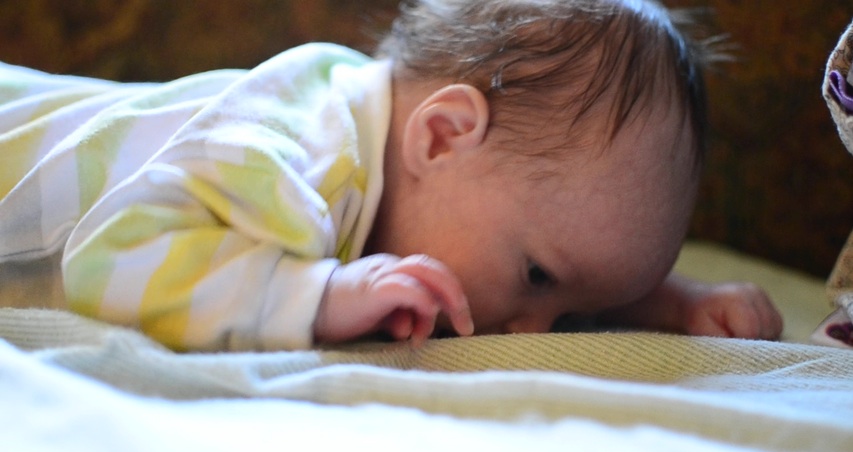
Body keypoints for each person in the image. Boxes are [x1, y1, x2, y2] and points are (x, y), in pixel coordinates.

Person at [0, 0, 782, 352]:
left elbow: (572, 236)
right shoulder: (289, 153)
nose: (532, 331)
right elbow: (116, 255)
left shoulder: (411, 159)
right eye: (538, 278)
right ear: (442, 136)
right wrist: (315, 295)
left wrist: (664, 302)